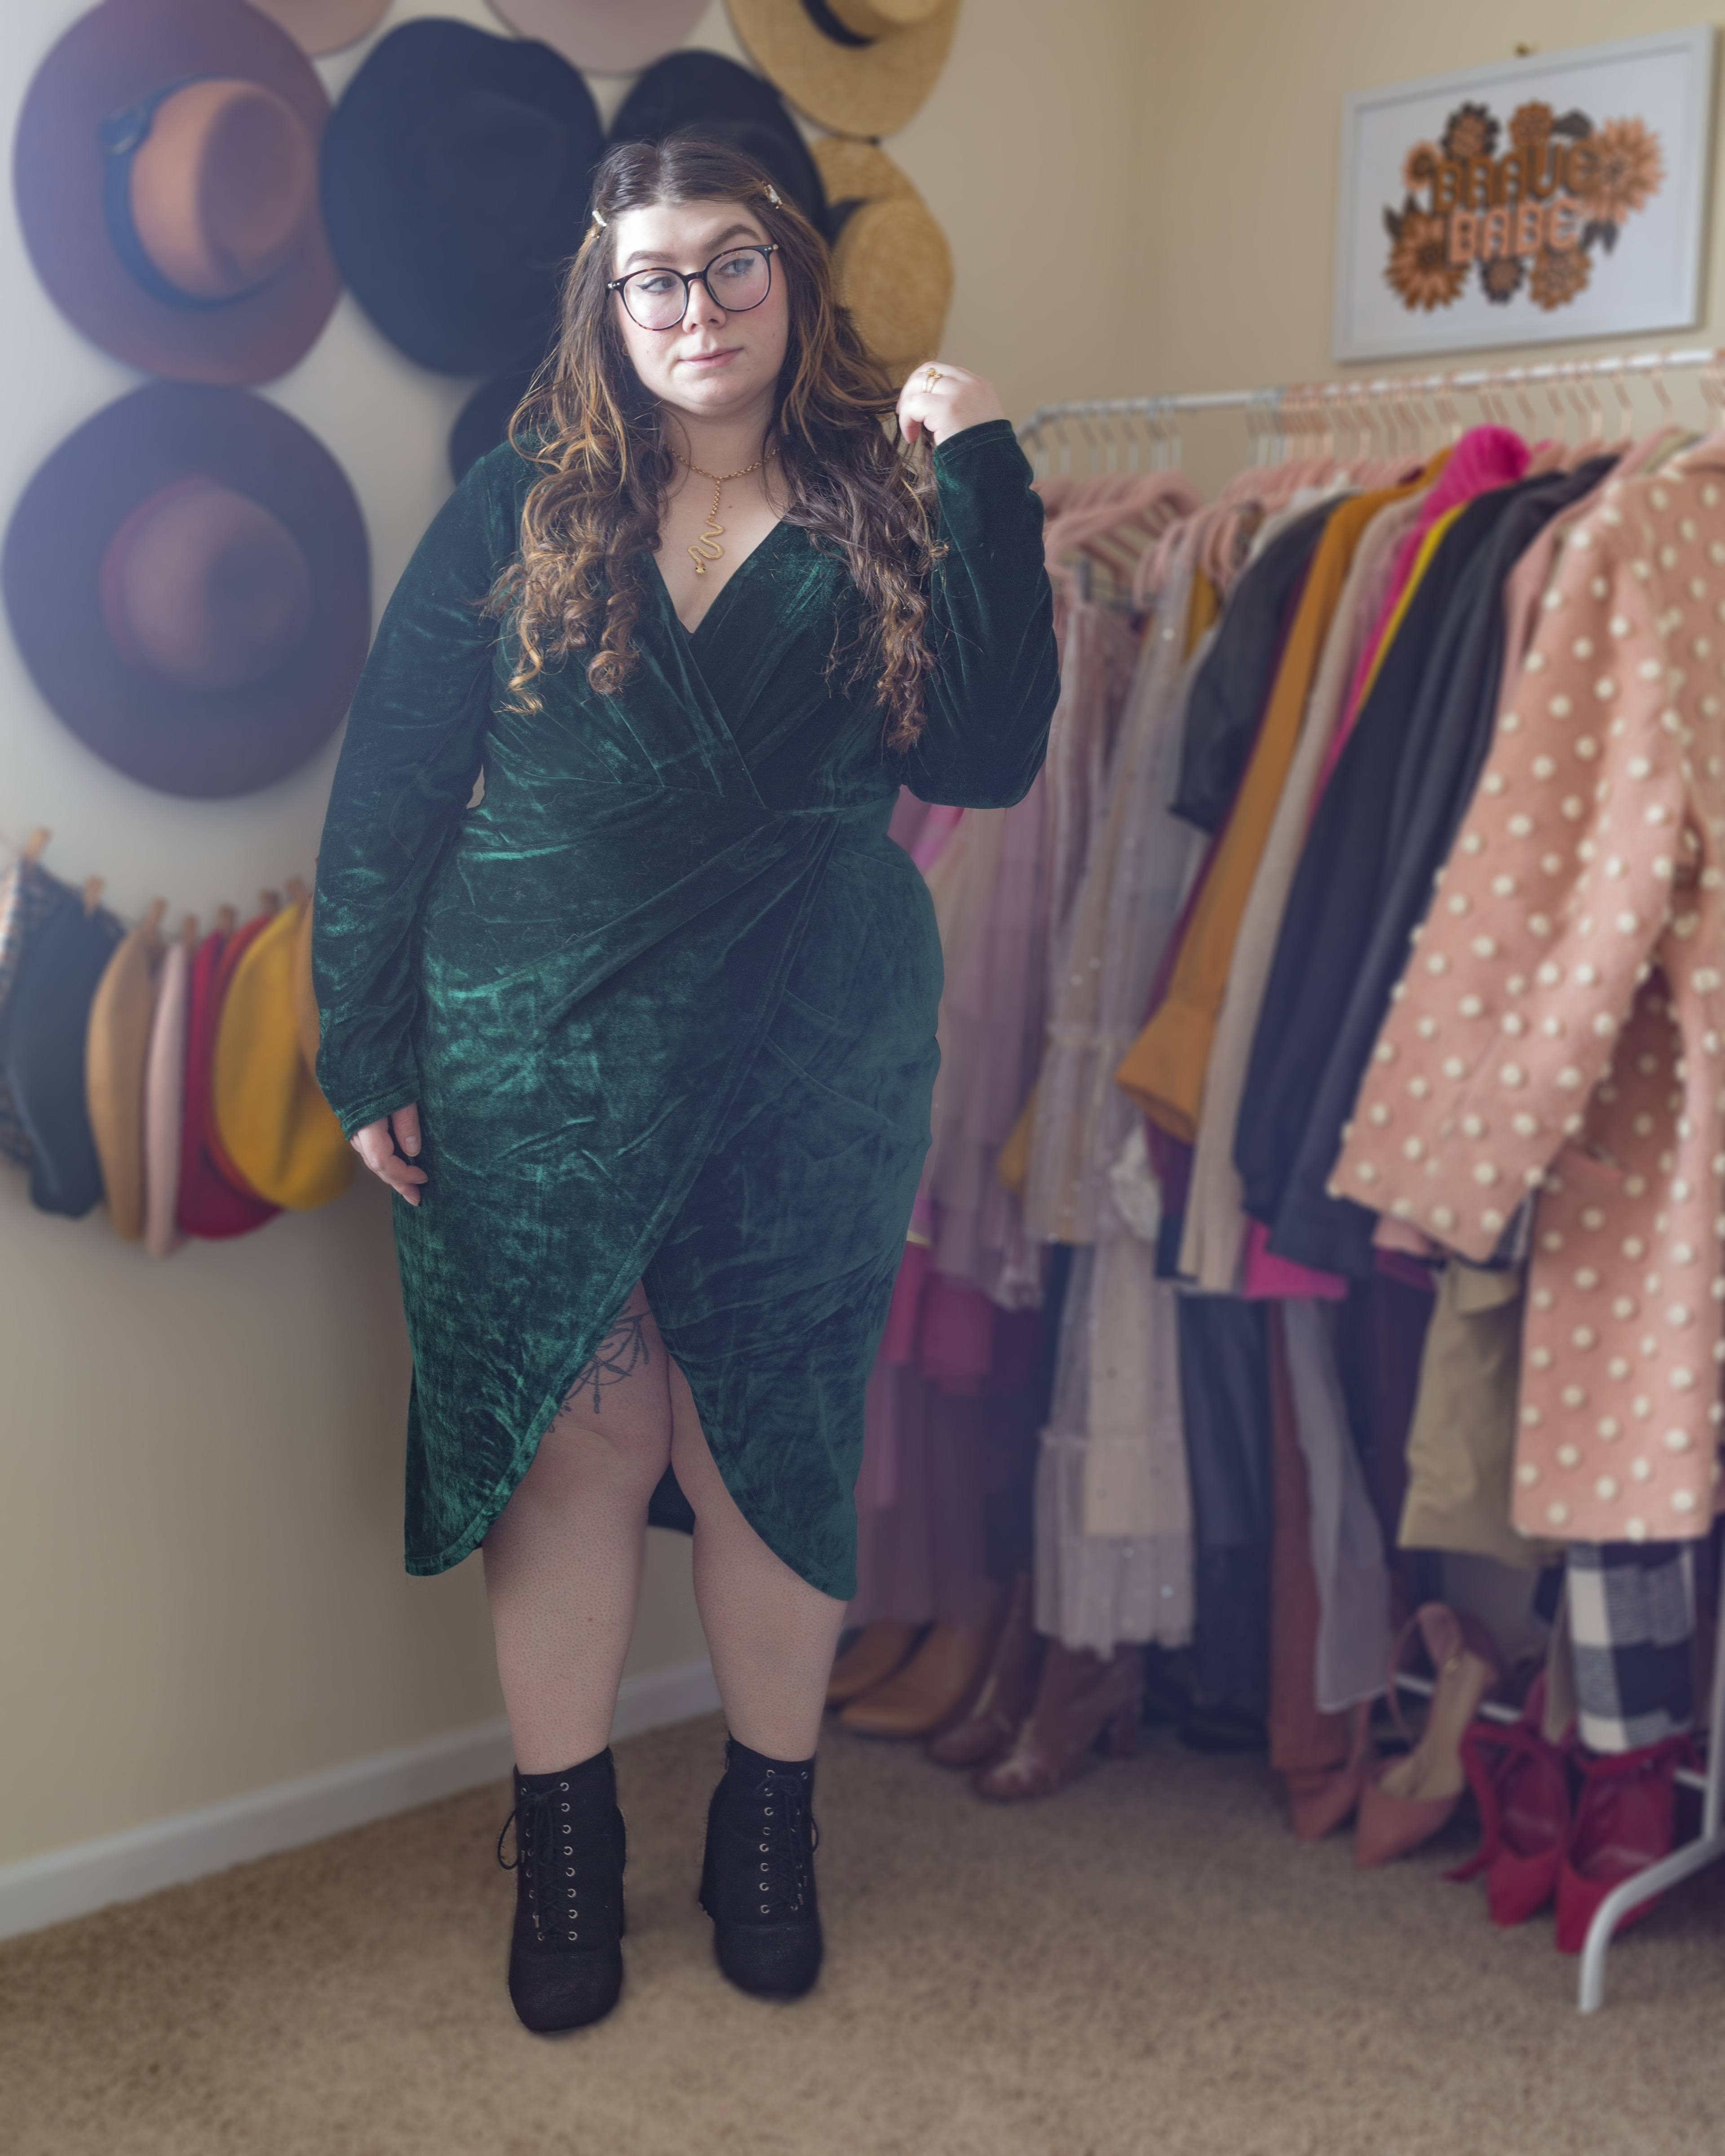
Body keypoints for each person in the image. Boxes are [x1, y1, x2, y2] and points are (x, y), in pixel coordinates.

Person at [312, 132, 1057, 2035]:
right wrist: (367, 1041)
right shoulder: (517, 506)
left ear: (793, 280)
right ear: (606, 303)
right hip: (533, 1044)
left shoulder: (894, 491)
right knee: (580, 1446)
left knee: (765, 1441)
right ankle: (564, 1851)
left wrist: (982, 472)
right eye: (655, 277)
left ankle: (768, 1831)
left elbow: (981, 757)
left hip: (808, 1041)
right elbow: (394, 783)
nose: (697, 309)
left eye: (731, 266)